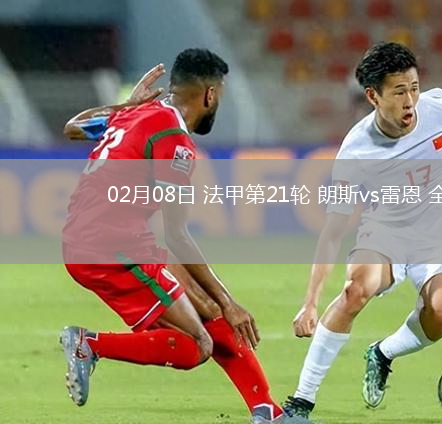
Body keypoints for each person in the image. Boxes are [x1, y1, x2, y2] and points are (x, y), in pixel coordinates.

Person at [60, 49, 312, 424]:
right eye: (219, 96)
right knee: (197, 344)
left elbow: (72, 127)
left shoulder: (138, 113)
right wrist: (231, 301)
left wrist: (125, 105)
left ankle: (267, 412)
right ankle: (89, 344)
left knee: (206, 305)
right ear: (209, 94)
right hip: (110, 247)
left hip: (103, 239)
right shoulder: (174, 141)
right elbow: (176, 235)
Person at [281, 42, 442, 419]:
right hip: (386, 232)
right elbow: (332, 232)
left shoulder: (441, 106)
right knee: (356, 289)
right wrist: (310, 301)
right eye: (399, 92)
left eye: (414, 88)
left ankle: (383, 353)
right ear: (373, 96)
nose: (410, 101)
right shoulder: (356, 151)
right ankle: (301, 401)